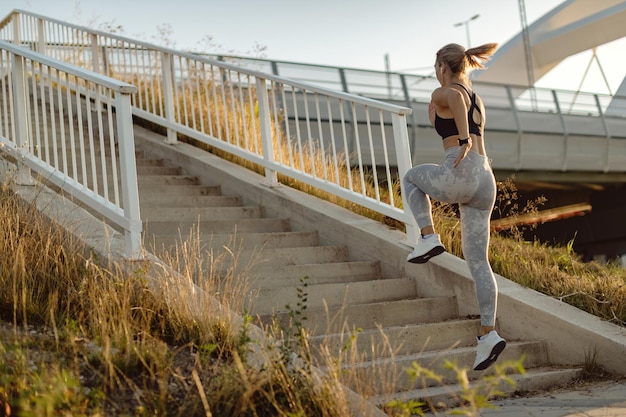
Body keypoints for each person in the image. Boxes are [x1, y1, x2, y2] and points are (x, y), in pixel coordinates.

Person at [402, 42, 505, 371]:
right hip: (485, 179)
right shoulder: (477, 99)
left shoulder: (443, 92)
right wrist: (457, 130)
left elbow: (454, 100)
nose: (435, 73)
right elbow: (460, 106)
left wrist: (461, 139)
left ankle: (429, 236)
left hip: (461, 171)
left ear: (442, 66)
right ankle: (488, 334)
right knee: (479, 263)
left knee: (411, 177)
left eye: (436, 67)